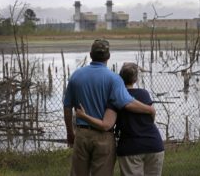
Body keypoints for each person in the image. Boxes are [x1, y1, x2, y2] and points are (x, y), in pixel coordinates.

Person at [63, 40, 155, 176]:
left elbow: (67, 107)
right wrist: (149, 109)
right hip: (104, 137)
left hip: (81, 134)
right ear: (108, 56)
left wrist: (70, 133)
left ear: (90, 55)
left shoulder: (76, 76)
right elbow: (127, 103)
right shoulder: (114, 79)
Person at [76, 62, 164, 176]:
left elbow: (106, 125)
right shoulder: (144, 94)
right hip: (154, 145)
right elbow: (151, 116)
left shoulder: (114, 97)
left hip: (131, 148)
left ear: (119, 77)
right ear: (135, 79)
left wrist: (84, 117)